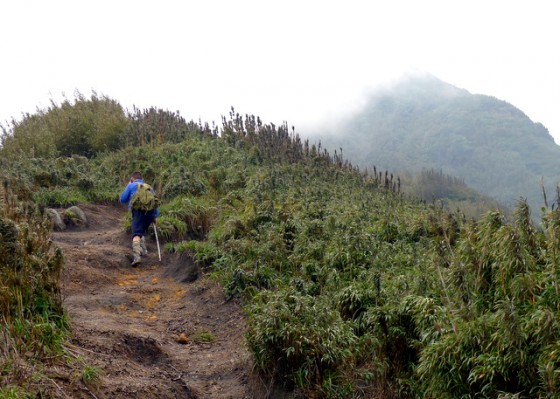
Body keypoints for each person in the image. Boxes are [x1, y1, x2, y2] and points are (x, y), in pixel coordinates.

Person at [119, 171, 159, 266]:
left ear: (132, 179)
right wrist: (155, 216)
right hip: (150, 213)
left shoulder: (131, 185)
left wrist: (128, 186)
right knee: (142, 231)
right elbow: (155, 202)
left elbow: (122, 200)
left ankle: (137, 257)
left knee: (136, 234)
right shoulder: (149, 187)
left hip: (138, 212)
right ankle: (144, 251)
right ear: (142, 179)